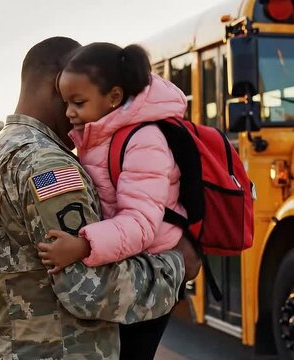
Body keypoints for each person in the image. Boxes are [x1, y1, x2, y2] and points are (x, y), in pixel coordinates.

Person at [0, 36, 200, 360]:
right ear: (57, 83)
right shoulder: (47, 163)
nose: (84, 115)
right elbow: (89, 289)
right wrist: (176, 265)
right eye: (74, 99)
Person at [38, 42, 188, 360]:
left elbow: (141, 222)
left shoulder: (144, 140)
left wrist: (83, 245)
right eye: (66, 102)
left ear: (114, 97)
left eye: (78, 102)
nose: (68, 113)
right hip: (128, 260)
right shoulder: (100, 135)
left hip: (151, 269)